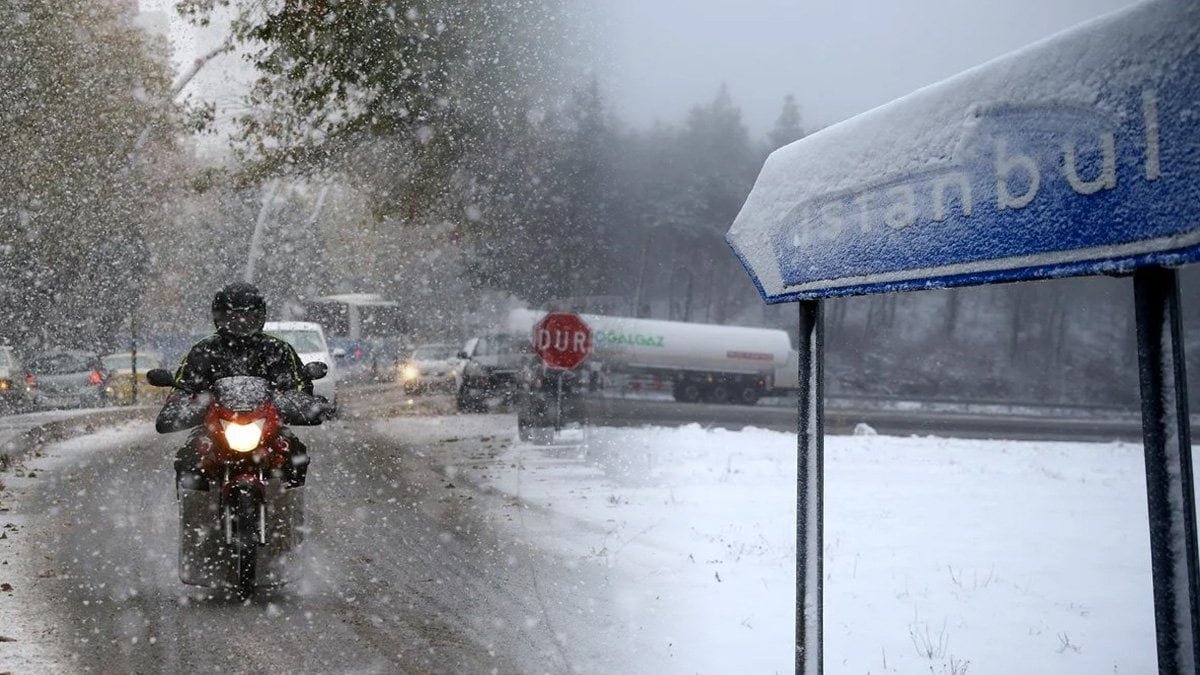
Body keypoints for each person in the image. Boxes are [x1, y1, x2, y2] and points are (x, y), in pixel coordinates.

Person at [157, 282, 331, 488]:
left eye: (249, 316)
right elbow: (184, 387)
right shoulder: (203, 351)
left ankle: (290, 502)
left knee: (294, 454)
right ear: (219, 317)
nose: (241, 322)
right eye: (233, 317)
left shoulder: (278, 350)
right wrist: (179, 405)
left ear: (261, 316)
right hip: (216, 429)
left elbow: (297, 386)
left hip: (267, 428)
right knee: (190, 457)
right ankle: (196, 505)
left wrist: (308, 404)